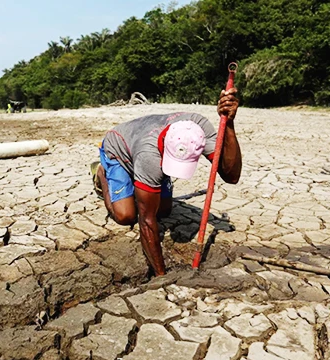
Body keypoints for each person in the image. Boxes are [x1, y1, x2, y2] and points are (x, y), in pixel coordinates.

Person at [91, 88, 242, 276]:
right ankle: (102, 173)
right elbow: (145, 221)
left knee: (164, 211)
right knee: (126, 216)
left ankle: (140, 184)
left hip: (144, 150)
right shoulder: (150, 157)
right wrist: (161, 276)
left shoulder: (197, 129)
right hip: (119, 149)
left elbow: (231, 176)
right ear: (165, 149)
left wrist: (229, 124)